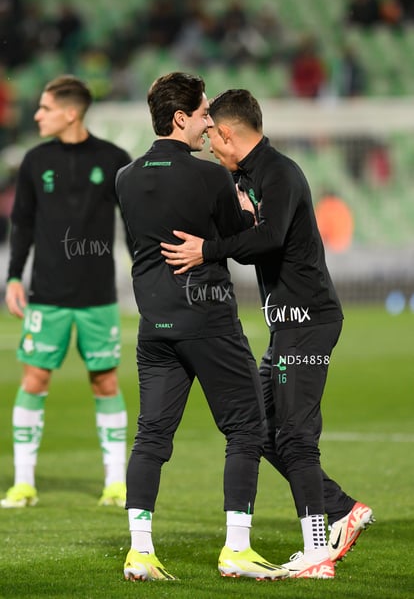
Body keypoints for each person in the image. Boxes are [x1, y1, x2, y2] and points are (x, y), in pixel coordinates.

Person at [160, 89, 374, 579]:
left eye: (211, 132)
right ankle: (341, 509)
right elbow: (248, 235)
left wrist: (208, 250)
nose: (209, 142)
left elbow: (269, 237)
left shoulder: (280, 173)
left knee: (296, 435)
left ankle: (318, 553)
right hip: (286, 321)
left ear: (228, 132)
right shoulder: (244, 176)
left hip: (309, 320)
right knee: (253, 427)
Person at [115, 72, 289, 582]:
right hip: (208, 318)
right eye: (204, 113)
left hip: (155, 324)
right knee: (246, 429)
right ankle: (237, 548)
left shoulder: (126, 177)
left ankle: (140, 552)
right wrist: (243, 210)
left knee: (151, 436)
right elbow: (242, 240)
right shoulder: (211, 177)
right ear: (180, 118)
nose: (209, 122)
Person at [1, 75, 132, 509]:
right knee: (34, 379)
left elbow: (133, 225)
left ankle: (116, 482)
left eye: (44, 107)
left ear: (70, 112)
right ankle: (23, 483)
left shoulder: (114, 159)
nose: (36, 114)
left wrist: (149, 275)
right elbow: (21, 224)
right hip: (48, 294)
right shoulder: (35, 161)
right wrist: (14, 276)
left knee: (105, 381)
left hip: (97, 296)